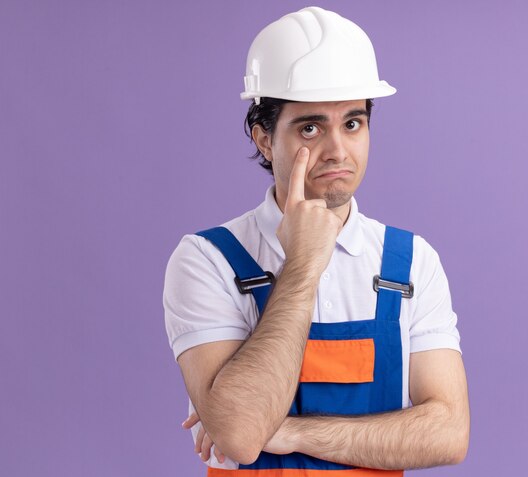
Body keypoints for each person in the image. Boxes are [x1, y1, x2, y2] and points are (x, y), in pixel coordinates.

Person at [163, 6, 469, 475]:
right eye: (311, 127)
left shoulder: (410, 263)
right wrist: (303, 265)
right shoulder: (207, 260)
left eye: (352, 123)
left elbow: (448, 434)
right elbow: (243, 437)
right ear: (264, 139)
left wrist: (290, 432)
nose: (338, 151)